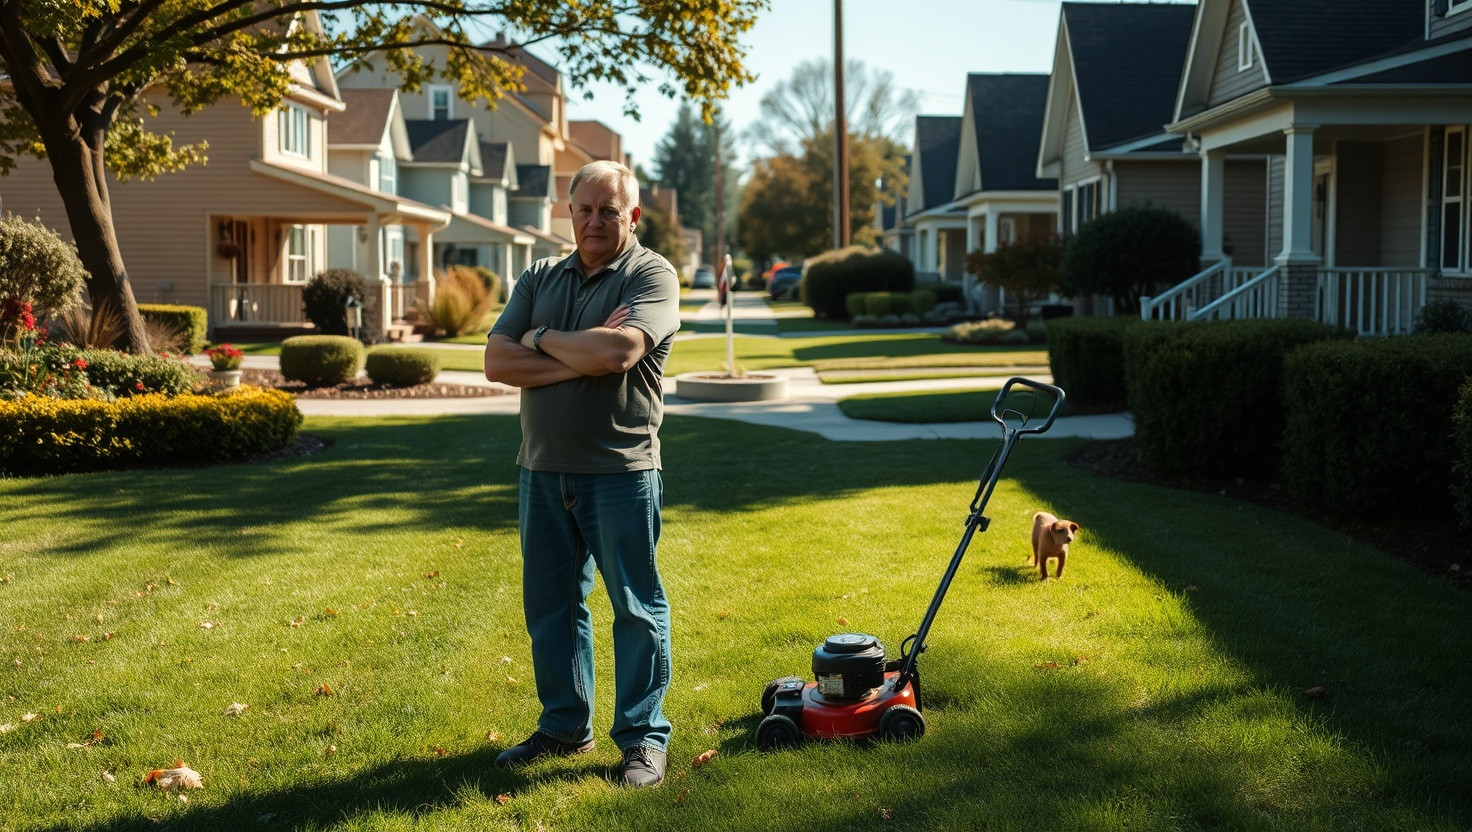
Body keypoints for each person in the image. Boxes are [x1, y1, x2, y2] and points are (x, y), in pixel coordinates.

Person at [483, 160, 681, 788]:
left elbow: (620, 351)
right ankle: (565, 723)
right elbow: (495, 359)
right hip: (541, 470)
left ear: (633, 215)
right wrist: (574, 352)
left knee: (635, 607)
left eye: (609, 209)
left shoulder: (652, 274)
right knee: (551, 605)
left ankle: (644, 739)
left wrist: (538, 340)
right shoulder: (541, 274)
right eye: (585, 209)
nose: (596, 220)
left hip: (619, 470)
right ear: (568, 212)